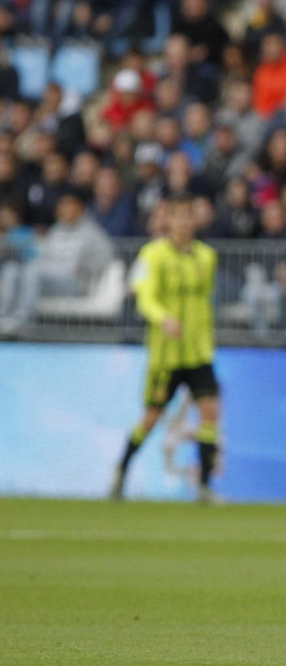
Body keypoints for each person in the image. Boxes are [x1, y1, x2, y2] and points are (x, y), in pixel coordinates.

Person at [111, 196, 223, 504]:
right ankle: (121, 469)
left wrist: (204, 336)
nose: (184, 224)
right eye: (178, 218)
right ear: (168, 222)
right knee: (151, 419)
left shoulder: (206, 257)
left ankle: (204, 485)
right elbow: (144, 296)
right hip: (166, 355)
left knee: (210, 414)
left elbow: (205, 300)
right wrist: (164, 319)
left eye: (189, 218)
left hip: (198, 352)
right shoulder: (153, 255)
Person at [0, 190, 113, 334]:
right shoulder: (56, 230)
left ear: (80, 208)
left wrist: (86, 269)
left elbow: (108, 255)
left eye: (68, 205)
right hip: (51, 277)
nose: (64, 210)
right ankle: (4, 316)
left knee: (33, 271)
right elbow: (44, 255)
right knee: (12, 269)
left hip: (74, 282)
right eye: (62, 206)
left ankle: (24, 319)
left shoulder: (91, 232)